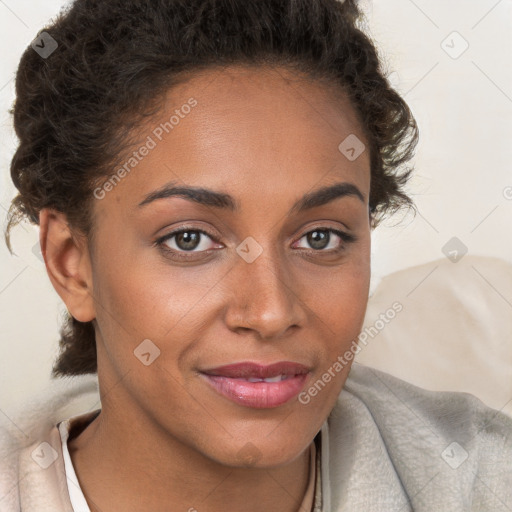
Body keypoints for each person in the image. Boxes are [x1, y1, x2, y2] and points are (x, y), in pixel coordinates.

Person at [1, 0, 511, 510]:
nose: (270, 312)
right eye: (189, 240)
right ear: (73, 265)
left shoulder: (484, 481)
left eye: (319, 238)